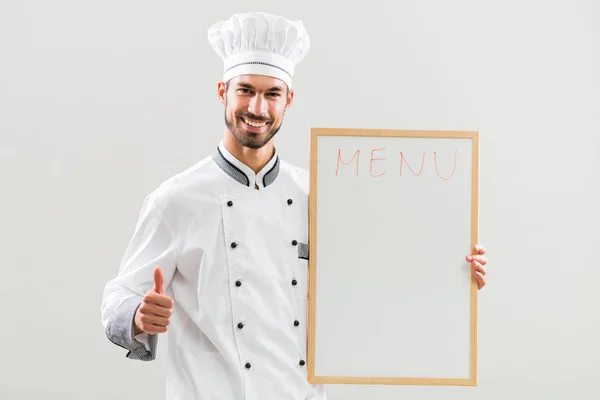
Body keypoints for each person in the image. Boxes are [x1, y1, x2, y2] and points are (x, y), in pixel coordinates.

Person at [100, 11, 489, 400]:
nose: (257, 108)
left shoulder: (318, 195)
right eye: (245, 90)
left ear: (289, 99)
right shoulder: (177, 199)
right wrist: (136, 316)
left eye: (272, 94)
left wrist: (451, 273)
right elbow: (117, 297)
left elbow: (377, 278)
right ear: (222, 91)